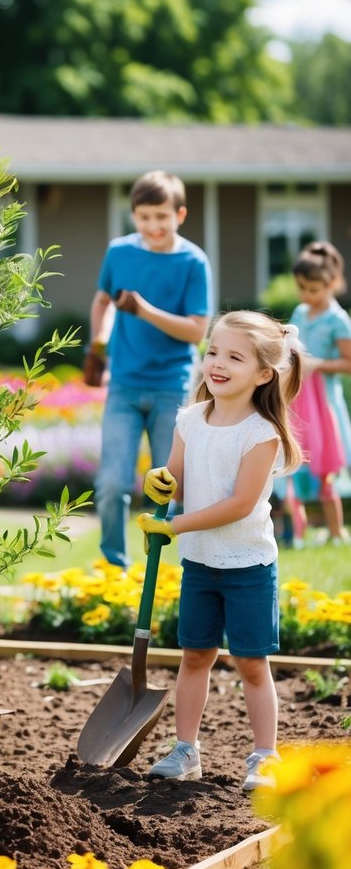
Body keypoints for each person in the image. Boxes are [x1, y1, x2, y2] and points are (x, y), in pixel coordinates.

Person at [138, 310, 303, 791]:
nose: (218, 363)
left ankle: (265, 755)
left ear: (264, 374)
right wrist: (159, 481)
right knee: (194, 656)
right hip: (200, 562)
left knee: (251, 662)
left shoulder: (261, 434)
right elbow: (175, 478)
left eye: (235, 356)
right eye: (213, 352)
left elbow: (240, 504)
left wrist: (177, 525)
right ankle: (185, 749)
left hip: (248, 564)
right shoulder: (190, 419)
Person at [84, 171, 212, 568]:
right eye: (144, 217)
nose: (153, 226)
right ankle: (114, 567)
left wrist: (144, 310)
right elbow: (103, 301)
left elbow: (196, 331)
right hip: (123, 383)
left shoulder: (193, 261)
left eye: (161, 216)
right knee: (110, 485)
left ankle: (165, 570)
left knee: (169, 489)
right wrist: (99, 345)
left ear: (180, 214)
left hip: (171, 387)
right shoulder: (119, 252)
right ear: (133, 216)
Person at [282, 241, 351, 547]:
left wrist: (318, 364)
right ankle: (298, 531)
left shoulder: (337, 320)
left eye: (313, 289)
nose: (306, 295)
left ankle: (336, 531)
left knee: (326, 471)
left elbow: (348, 363)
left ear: (332, 283)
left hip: (324, 406)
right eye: (302, 288)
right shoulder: (300, 312)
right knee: (293, 469)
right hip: (298, 403)